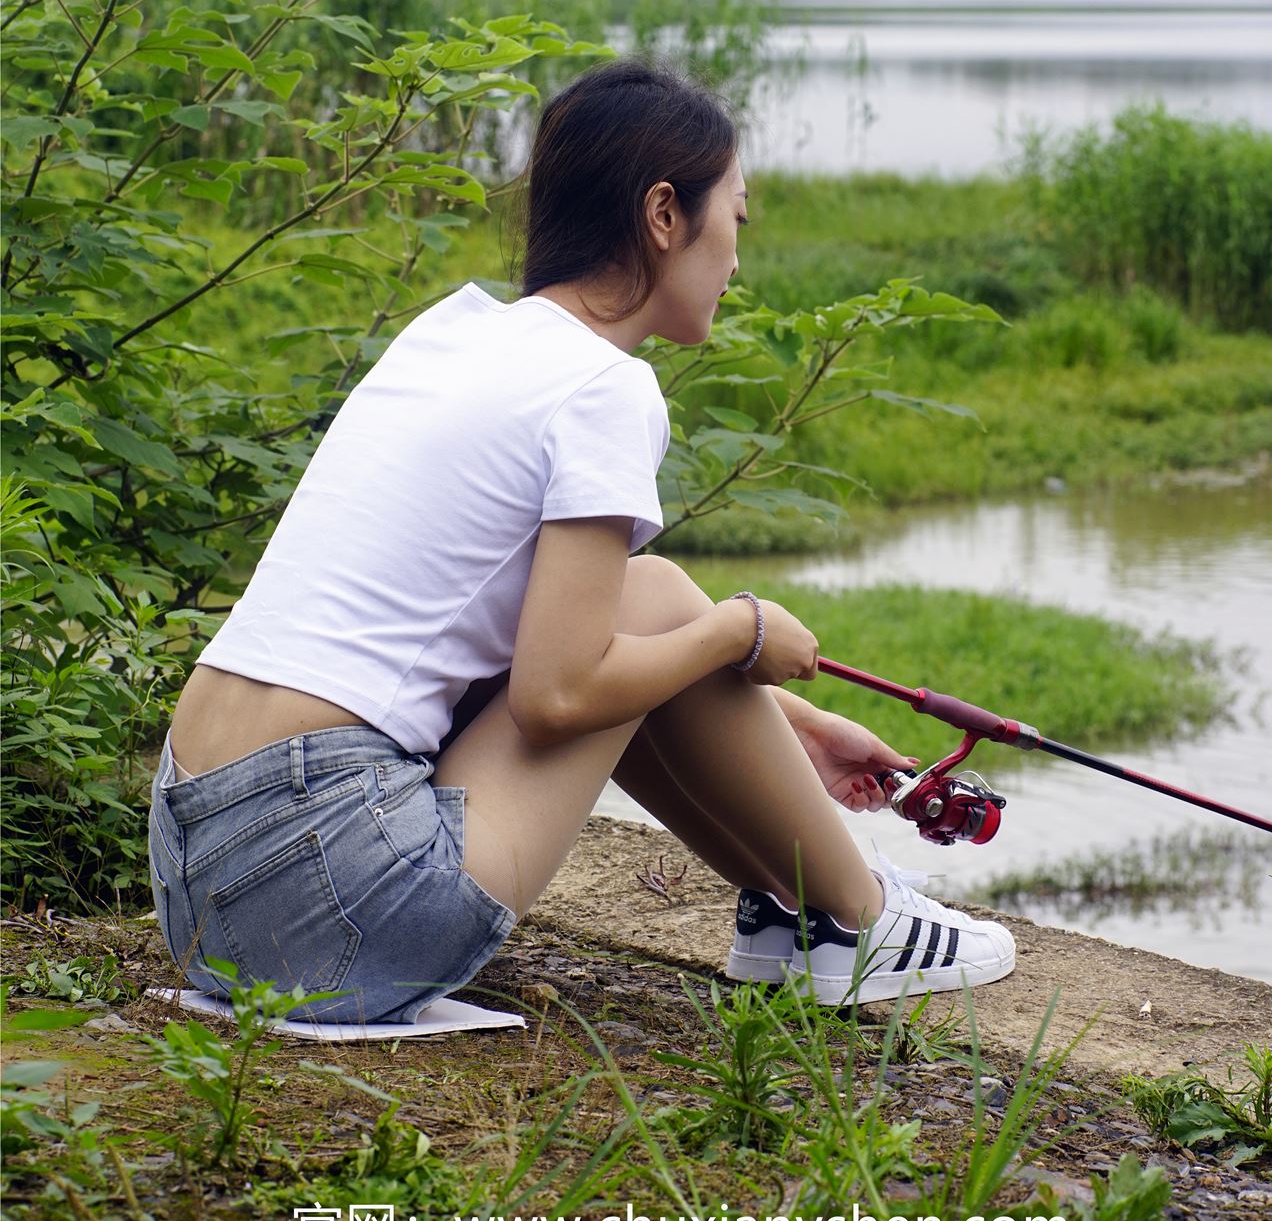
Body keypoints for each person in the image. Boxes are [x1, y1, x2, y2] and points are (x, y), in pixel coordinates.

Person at [148, 58, 1014, 1025]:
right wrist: (740, 632)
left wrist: (795, 733)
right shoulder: (603, 387)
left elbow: (516, 640)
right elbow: (558, 697)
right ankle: (857, 915)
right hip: (337, 898)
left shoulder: (451, 335)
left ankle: (792, 908)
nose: (738, 258)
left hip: (197, 878)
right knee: (658, 612)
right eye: (735, 219)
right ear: (662, 214)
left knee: (642, 597)